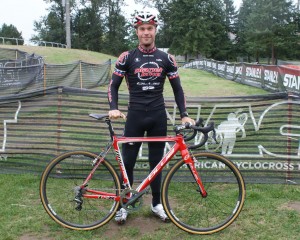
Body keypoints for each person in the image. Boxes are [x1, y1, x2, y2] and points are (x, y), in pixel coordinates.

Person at [107, 10, 195, 224]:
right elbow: (113, 85)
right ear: (137, 32)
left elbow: (178, 89)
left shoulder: (166, 58)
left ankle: (157, 204)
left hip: (157, 116)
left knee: (157, 163)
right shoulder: (127, 57)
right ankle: (122, 204)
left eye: (150, 29)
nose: (146, 32)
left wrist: (184, 115)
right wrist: (113, 107)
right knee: (127, 161)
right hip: (135, 115)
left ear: (155, 30)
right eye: (142, 29)